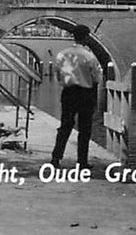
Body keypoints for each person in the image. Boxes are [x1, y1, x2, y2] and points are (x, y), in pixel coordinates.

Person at [50, 24, 103, 170]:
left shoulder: (62, 54)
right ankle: (82, 161)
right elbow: (96, 78)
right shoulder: (89, 56)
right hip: (85, 94)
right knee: (85, 129)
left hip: (68, 93)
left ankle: (56, 157)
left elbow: (58, 74)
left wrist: (65, 82)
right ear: (86, 38)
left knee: (65, 126)